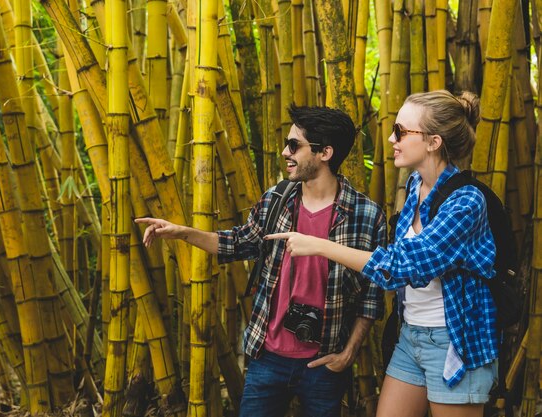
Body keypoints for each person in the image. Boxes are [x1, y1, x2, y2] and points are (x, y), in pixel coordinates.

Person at [135, 104, 386, 417]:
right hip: (267, 356)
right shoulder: (277, 200)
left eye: (295, 145)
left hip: (325, 362)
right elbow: (237, 243)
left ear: (325, 153)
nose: (285, 152)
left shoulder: (365, 215)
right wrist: (183, 233)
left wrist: (348, 354)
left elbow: (371, 297)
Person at [267, 91, 498, 417]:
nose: (392, 138)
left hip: (455, 341)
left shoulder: (467, 202)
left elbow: (402, 266)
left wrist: (320, 245)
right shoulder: (416, 185)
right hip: (411, 336)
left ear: (433, 142)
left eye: (402, 132)